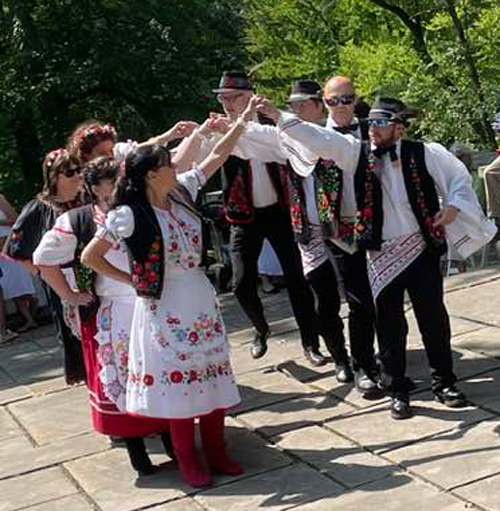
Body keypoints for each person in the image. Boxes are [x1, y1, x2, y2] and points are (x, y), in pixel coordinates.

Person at [258, 95, 496, 420]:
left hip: (421, 247)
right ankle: (397, 389)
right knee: (389, 325)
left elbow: (458, 179)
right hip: (380, 252)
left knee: (433, 319)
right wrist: (276, 115)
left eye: (380, 123)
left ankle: (444, 382)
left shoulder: (425, 152)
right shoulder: (356, 153)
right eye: (370, 123)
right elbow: (320, 139)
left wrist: (453, 206)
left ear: (399, 128)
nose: (372, 129)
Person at [80, 100, 260, 488]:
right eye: (166, 164)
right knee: (180, 386)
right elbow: (90, 256)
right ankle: (188, 459)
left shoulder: (182, 193)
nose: (173, 167)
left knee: (212, 377)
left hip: (198, 295)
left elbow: (217, 155)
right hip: (164, 306)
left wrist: (242, 122)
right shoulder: (128, 214)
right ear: (149, 175)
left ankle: (217, 451)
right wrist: (132, 281)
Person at [230, 78, 380, 390]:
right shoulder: (287, 137)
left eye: (302, 104)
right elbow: (255, 138)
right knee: (324, 299)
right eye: (293, 104)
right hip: (309, 230)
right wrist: (226, 127)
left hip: (344, 226)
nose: (295, 108)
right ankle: (340, 357)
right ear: (325, 103)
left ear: (315, 104)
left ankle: (364, 361)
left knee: (358, 297)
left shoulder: (352, 135)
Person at [33, 157, 173, 476]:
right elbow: (42, 259)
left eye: (122, 178)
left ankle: (171, 443)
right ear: (95, 187)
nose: (121, 185)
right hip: (114, 311)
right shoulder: (78, 220)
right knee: (123, 379)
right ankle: (138, 455)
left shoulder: (141, 207)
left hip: (151, 305)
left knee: (158, 373)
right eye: (113, 180)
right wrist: (70, 295)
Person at [206, 71, 325, 367]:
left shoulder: (273, 124)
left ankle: (311, 342)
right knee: (242, 282)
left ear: (250, 96)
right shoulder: (219, 129)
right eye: (223, 98)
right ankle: (261, 329)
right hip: (243, 215)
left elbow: (289, 151)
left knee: (297, 278)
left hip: (280, 210)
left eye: (233, 97)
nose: (227, 103)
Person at [3, 149, 87, 384]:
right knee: (73, 332)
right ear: (54, 176)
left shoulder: (88, 200)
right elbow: (15, 249)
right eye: (70, 172)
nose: (77, 176)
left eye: (79, 169)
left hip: (93, 276)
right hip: (62, 280)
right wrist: (41, 273)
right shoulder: (39, 207)